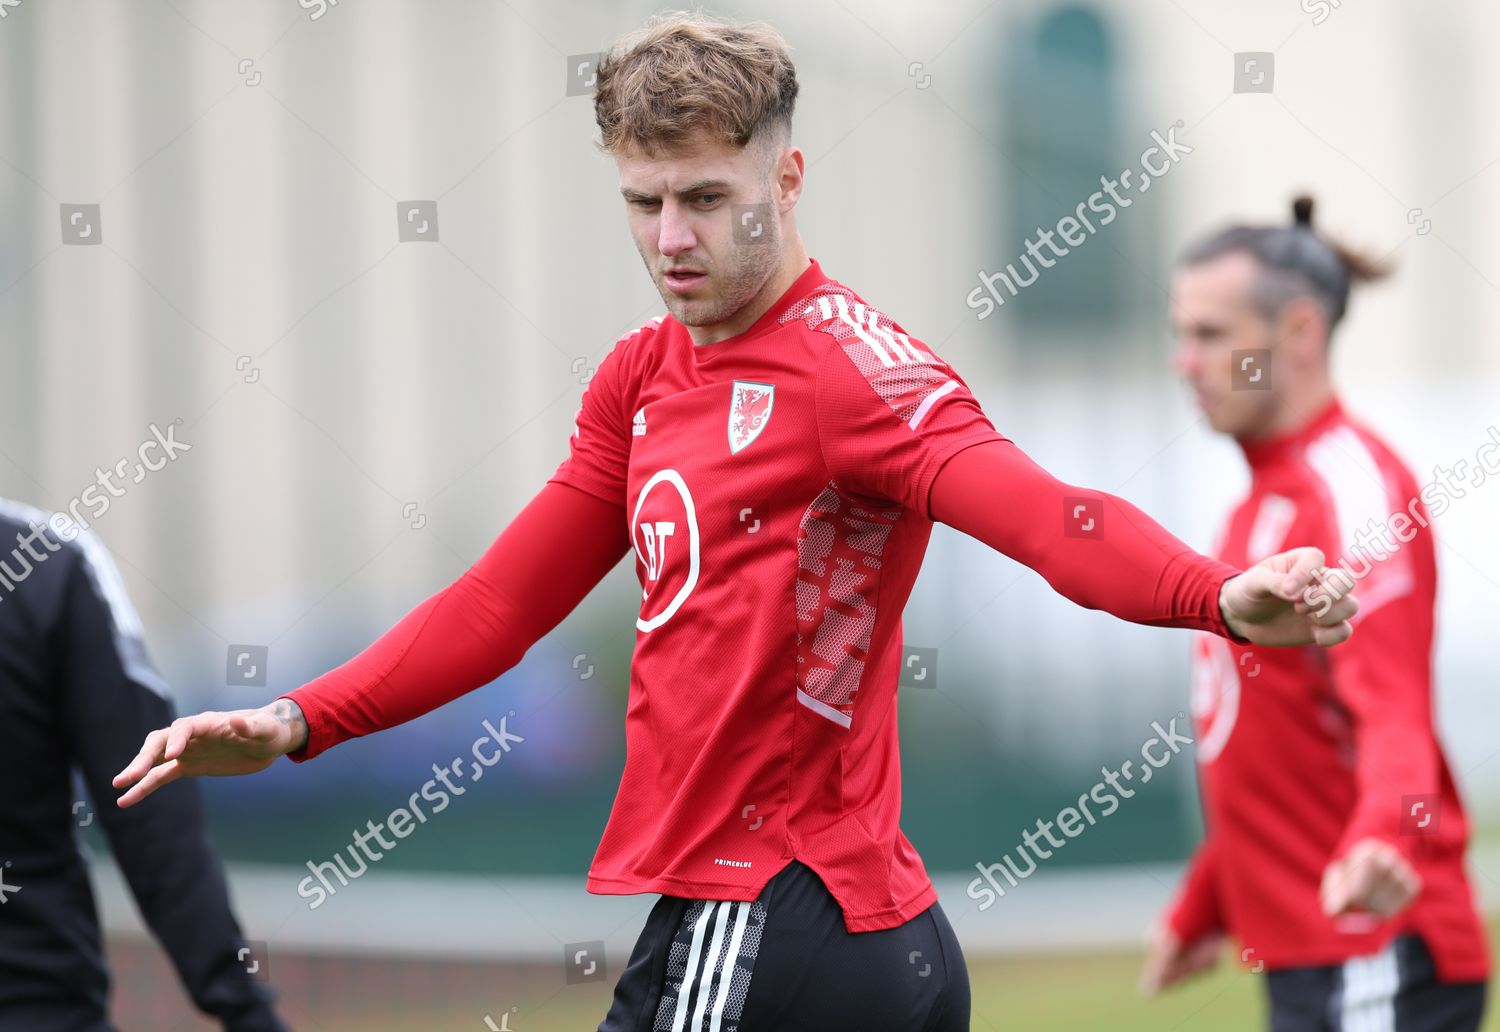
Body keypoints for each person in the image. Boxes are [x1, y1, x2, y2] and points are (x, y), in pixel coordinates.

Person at [113, 16, 1359, 1032]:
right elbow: (502, 605)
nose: (672, 239)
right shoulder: (638, 381)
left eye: (706, 197)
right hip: (861, 936)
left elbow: (1044, 513)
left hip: (767, 917)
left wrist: (1217, 595)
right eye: (643, 202)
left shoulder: (847, 372)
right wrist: (294, 719)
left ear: (788, 175)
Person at [1139, 198, 1489, 1029]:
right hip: (1315, 954)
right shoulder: (1258, 505)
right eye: (1180, 334)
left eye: (1213, 336)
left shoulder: (1353, 494)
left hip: (1376, 948)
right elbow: (1275, 740)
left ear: (1297, 334)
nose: (1186, 362)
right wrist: (1205, 902)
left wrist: (1382, 842)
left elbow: (1394, 714)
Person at [0, 500, 288, 1032]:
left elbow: (147, 789)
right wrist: (246, 1011)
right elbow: (152, 812)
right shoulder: (48, 561)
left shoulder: (49, 566)